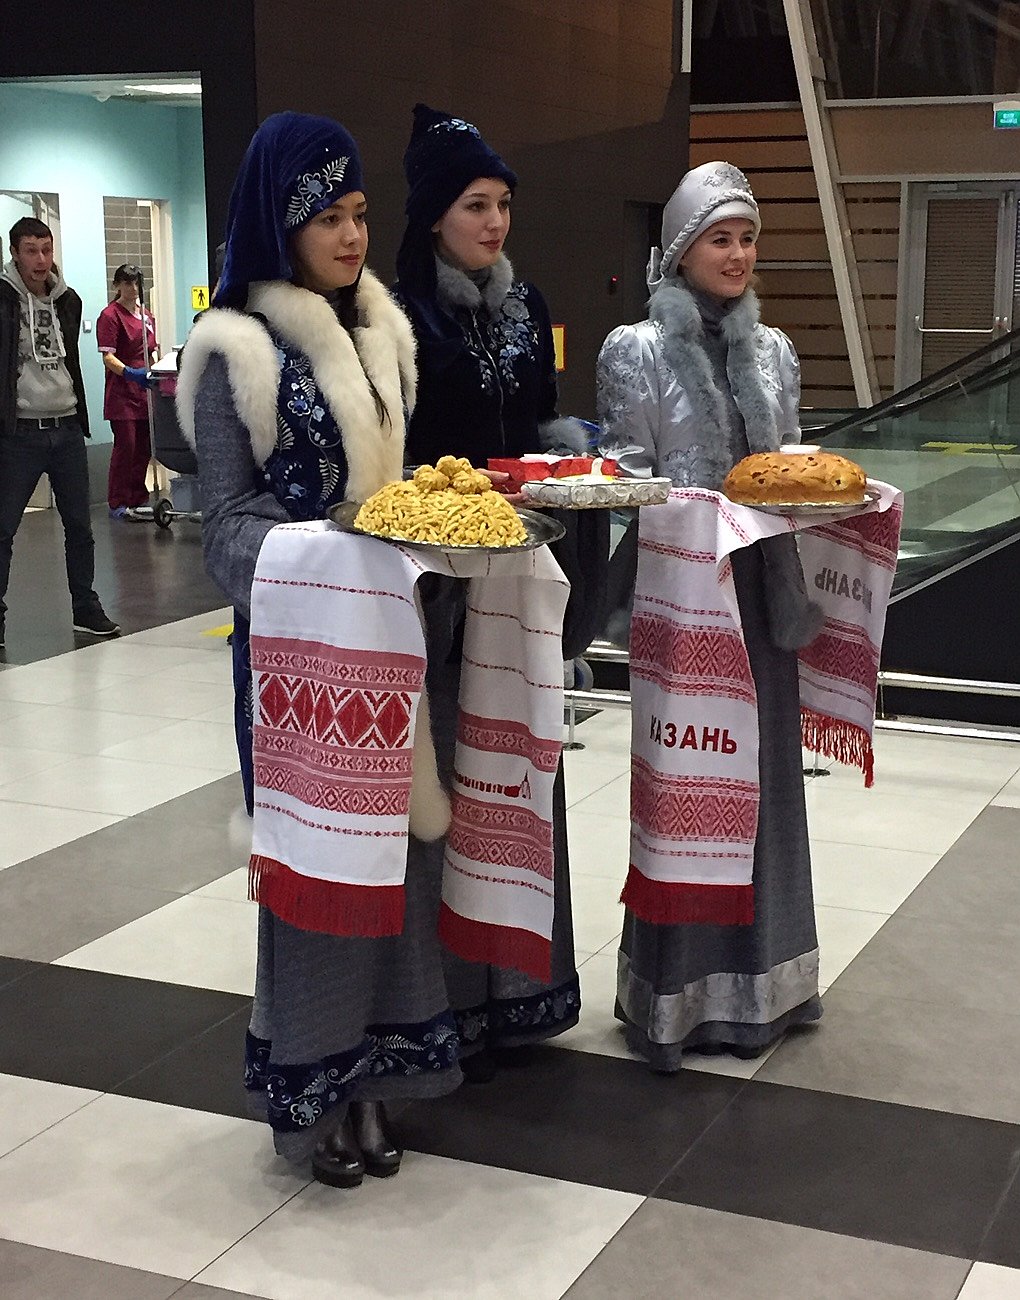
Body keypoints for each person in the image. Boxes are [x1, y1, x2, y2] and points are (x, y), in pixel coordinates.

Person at [176, 111, 463, 1188]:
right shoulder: (233, 350)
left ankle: (380, 1081)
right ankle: (314, 1095)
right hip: (298, 665)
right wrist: (340, 549)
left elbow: (396, 490)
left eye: (359, 214)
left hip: (391, 647)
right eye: (326, 216)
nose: (351, 236)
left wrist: (427, 528)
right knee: (318, 876)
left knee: (395, 863)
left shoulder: (383, 332)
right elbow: (224, 531)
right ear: (277, 220)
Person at [394, 103, 607, 1081]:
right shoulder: (397, 312)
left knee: (519, 766)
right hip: (434, 582)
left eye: (504, 204)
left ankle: (520, 995)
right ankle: (445, 1007)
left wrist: (564, 471)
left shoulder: (527, 306)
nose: (494, 222)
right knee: (451, 775)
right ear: (435, 212)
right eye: (475, 204)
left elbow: (539, 420)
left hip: (520, 567)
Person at [596, 161, 823, 1071]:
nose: (737, 254)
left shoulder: (774, 353)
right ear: (682, 249)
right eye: (719, 238)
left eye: (747, 238)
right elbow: (623, 482)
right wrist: (698, 512)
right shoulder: (636, 349)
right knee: (687, 786)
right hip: (685, 598)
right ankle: (678, 1000)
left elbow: (788, 463)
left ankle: (769, 985)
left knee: (765, 782)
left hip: (765, 596)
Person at [0, 217, 119, 648]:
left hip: (66, 426)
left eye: (47, 249)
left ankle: (85, 608)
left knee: (80, 527)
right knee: (4, 529)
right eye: (31, 250)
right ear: (15, 253)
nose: (41, 259)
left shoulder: (69, 300)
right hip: (20, 432)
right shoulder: (3, 298)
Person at [97, 264, 158, 520]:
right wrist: (131, 373)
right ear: (117, 285)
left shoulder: (147, 316)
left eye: (136, 283)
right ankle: (118, 501)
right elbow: (108, 357)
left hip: (145, 390)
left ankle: (138, 496)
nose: (133, 288)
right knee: (127, 446)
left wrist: (156, 374)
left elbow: (151, 350)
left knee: (144, 446)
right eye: (127, 283)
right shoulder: (110, 316)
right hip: (122, 390)